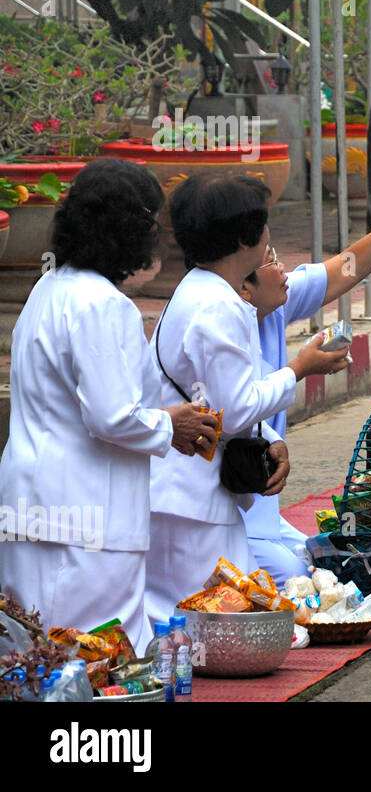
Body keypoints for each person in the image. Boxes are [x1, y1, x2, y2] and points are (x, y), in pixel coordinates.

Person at [0, 160, 219, 651]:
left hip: (34, 501)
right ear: (132, 230)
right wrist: (172, 426)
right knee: (91, 657)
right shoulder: (103, 304)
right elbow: (113, 415)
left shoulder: (48, 289)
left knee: (31, 651)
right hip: (83, 516)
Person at [145, 175, 348, 626]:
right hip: (190, 495)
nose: (270, 238)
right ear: (244, 238)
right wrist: (299, 368)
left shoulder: (200, 290)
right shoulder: (219, 305)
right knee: (210, 621)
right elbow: (233, 408)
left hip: (183, 487)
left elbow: (217, 400)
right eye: (265, 226)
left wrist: (269, 434)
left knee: (193, 616)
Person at [237, 202, 371, 584]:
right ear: (242, 283)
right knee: (297, 577)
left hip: (261, 510)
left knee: (324, 566)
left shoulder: (270, 305)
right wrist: (301, 368)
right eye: (271, 258)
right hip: (223, 510)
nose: (284, 266)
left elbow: (345, 268)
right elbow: (234, 409)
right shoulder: (216, 326)